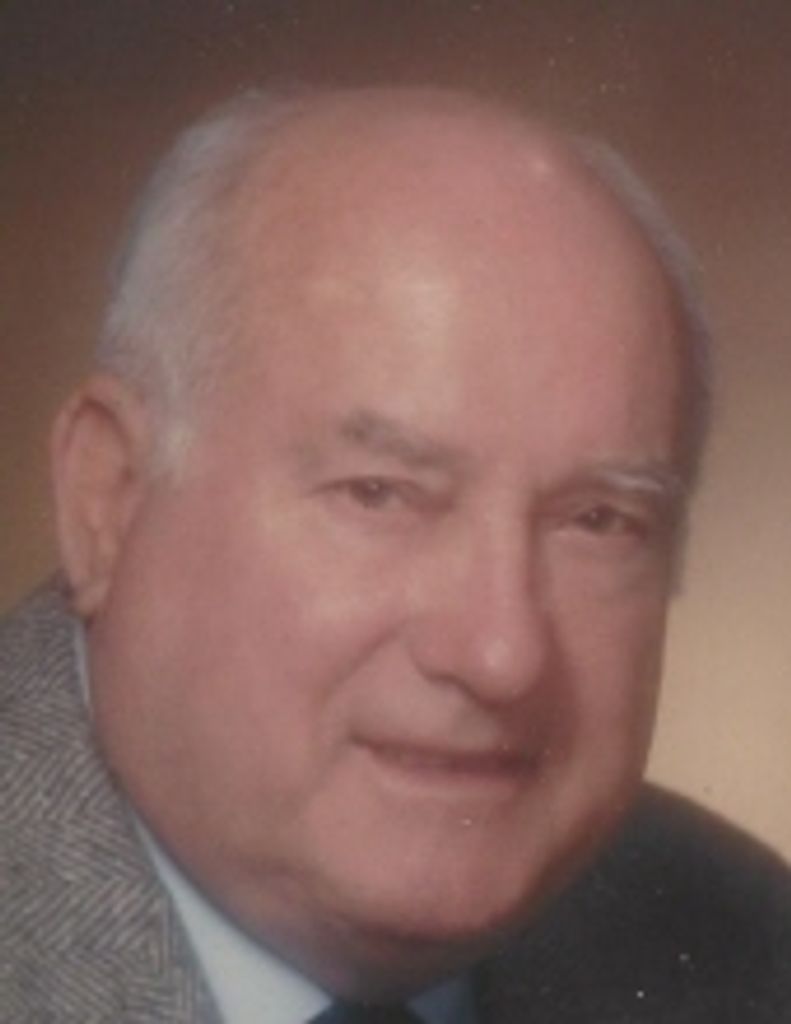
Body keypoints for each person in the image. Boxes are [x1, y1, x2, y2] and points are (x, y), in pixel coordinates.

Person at [2, 85, 789, 1023]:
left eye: (597, 520)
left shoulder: (747, 939)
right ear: (108, 499)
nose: (501, 655)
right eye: (379, 493)